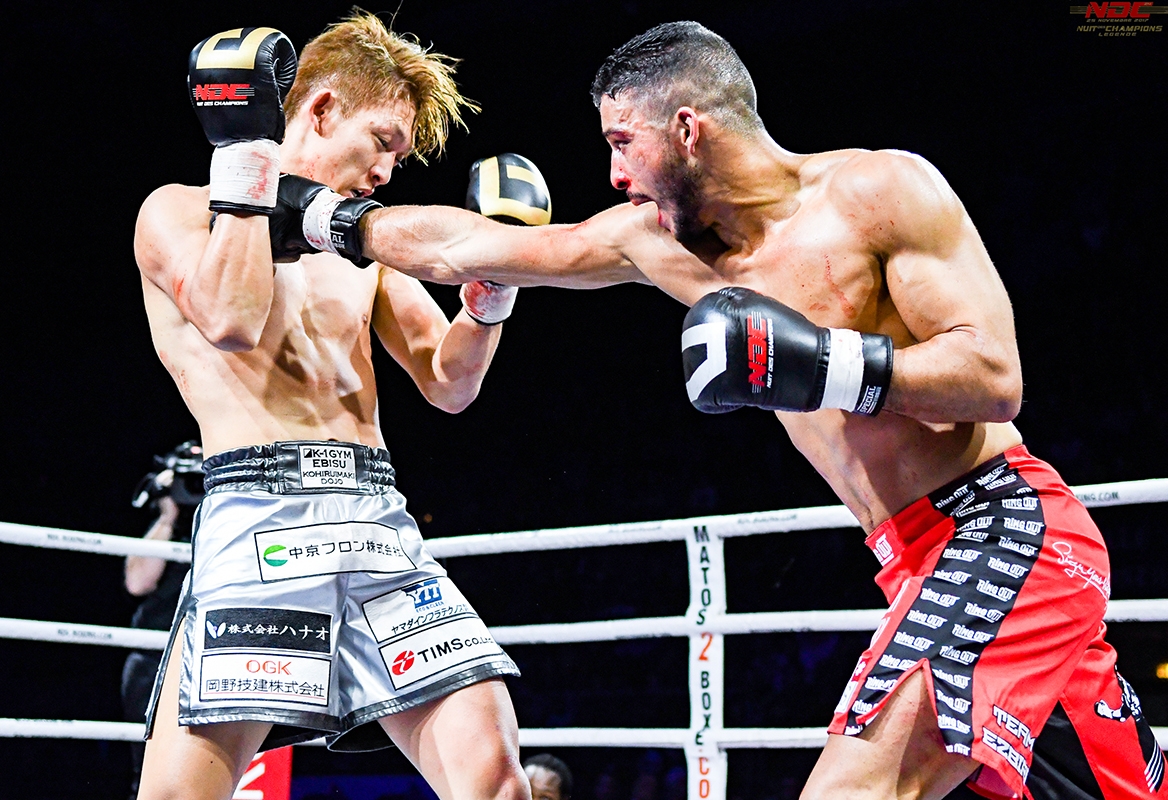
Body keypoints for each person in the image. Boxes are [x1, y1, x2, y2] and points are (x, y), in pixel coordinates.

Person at [265, 19, 1167, 800]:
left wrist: (823, 365)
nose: (613, 174)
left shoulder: (879, 193)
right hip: (908, 556)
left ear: (687, 129)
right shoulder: (654, 244)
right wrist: (323, 217)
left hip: (998, 528)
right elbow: (470, 245)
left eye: (623, 143)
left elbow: (993, 375)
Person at [133, 12, 547, 800]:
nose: (387, 171)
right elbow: (229, 317)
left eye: (399, 156)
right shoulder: (179, 212)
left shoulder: (362, 249)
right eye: (382, 142)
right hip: (261, 518)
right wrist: (247, 158)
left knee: (497, 781)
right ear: (321, 110)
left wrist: (492, 293)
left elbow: (449, 382)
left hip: (375, 522)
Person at [123, 441, 205, 800]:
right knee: (148, 762)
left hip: (209, 652)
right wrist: (167, 516)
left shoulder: (230, 522)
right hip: (153, 654)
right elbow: (137, 582)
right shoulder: (164, 526)